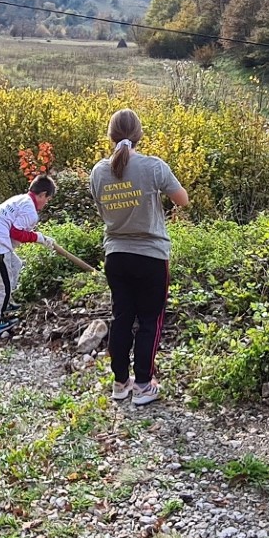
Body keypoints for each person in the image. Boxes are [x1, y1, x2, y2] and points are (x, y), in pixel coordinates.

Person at [89, 109, 189, 406]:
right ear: (139, 135)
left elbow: (102, 210)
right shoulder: (153, 166)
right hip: (150, 256)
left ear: (111, 136)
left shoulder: (98, 172)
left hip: (116, 255)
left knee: (122, 318)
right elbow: (182, 200)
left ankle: (120, 383)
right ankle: (144, 385)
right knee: (149, 321)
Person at [0, 174, 57, 338]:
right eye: (47, 199)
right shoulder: (30, 210)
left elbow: (16, 231)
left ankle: (7, 303)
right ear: (42, 195)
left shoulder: (21, 199)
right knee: (3, 286)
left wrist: (38, 237)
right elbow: (16, 233)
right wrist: (39, 238)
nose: (46, 203)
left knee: (16, 265)